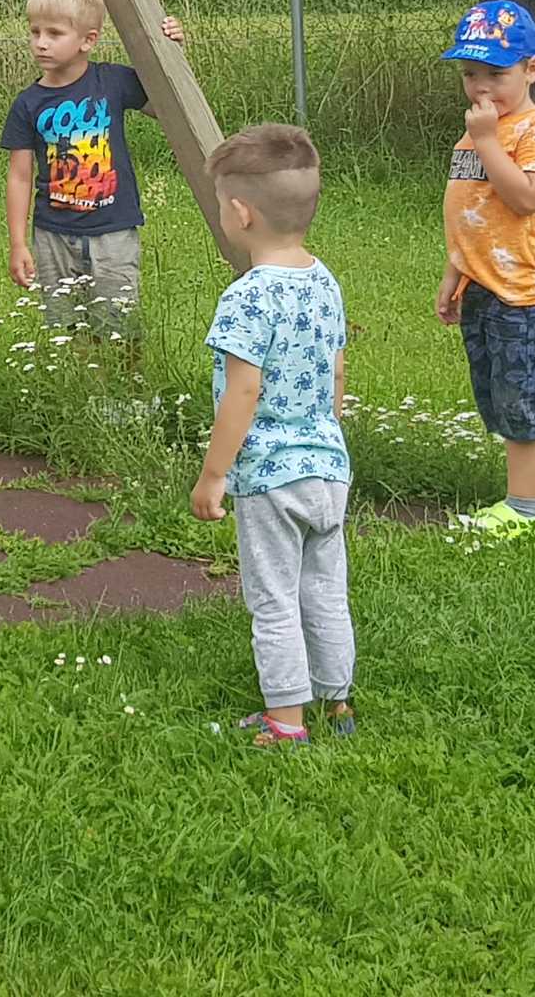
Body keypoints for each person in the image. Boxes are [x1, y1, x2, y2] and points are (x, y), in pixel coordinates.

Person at [189, 124, 354, 748]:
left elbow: (243, 392)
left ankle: (286, 721)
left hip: (269, 476)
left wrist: (214, 474)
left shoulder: (246, 298)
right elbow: (336, 371)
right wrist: (326, 430)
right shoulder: (325, 281)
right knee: (326, 591)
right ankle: (338, 703)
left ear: (240, 213)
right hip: (328, 467)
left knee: (274, 598)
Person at [436, 0, 535, 538]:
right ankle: (516, 495)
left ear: (531, 69)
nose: (481, 88)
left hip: (522, 293)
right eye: (471, 74)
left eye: (496, 74)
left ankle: (526, 510)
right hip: (483, 286)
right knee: (493, 392)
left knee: (519, 396)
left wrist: (490, 142)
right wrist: (455, 273)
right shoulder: (474, 135)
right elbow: (470, 214)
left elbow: (526, 199)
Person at [0, 0, 183, 338]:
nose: (41, 43)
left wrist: (173, 50)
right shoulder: (28, 104)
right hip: (53, 235)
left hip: (113, 231)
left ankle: (126, 376)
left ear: (89, 40)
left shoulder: (112, 82)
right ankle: (82, 377)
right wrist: (18, 243)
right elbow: (19, 176)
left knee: (120, 327)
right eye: (35, 32)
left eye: (54, 33)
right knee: (67, 329)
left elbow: (166, 105)